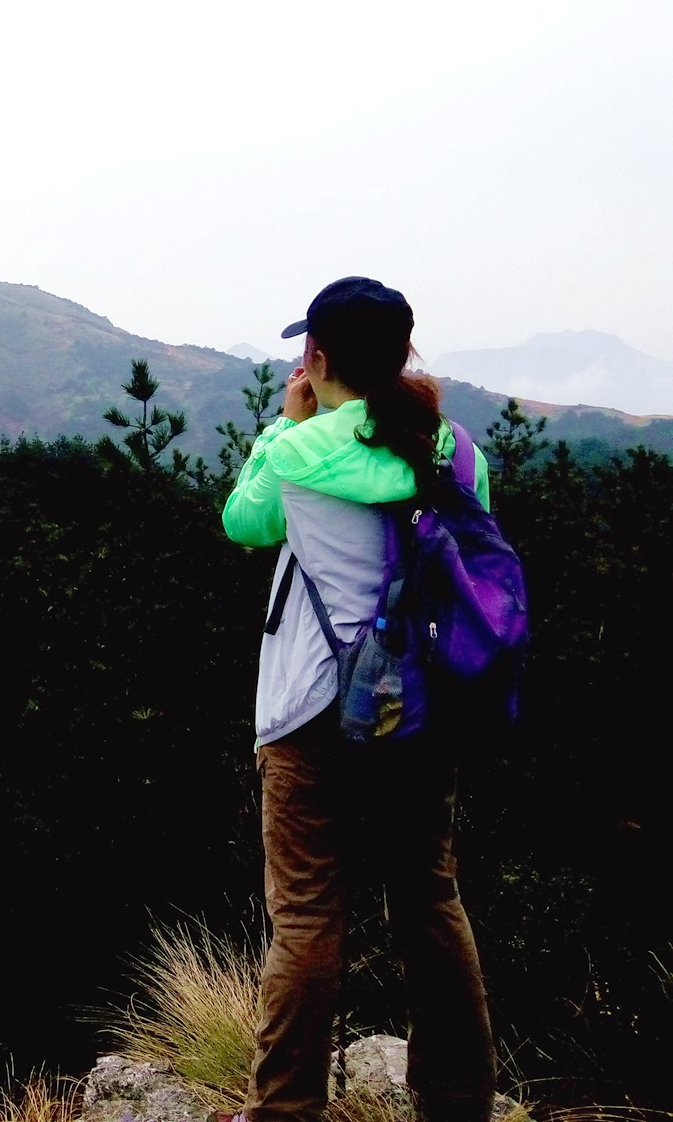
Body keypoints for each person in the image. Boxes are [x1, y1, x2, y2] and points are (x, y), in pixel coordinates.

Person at [221, 277, 497, 1122]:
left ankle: (287, 1110)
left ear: (316, 354)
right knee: (430, 898)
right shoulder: (454, 450)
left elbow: (245, 521)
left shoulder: (298, 451)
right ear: (404, 353)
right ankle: (457, 1103)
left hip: (311, 711)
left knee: (306, 912)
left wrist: (287, 422)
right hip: (422, 707)